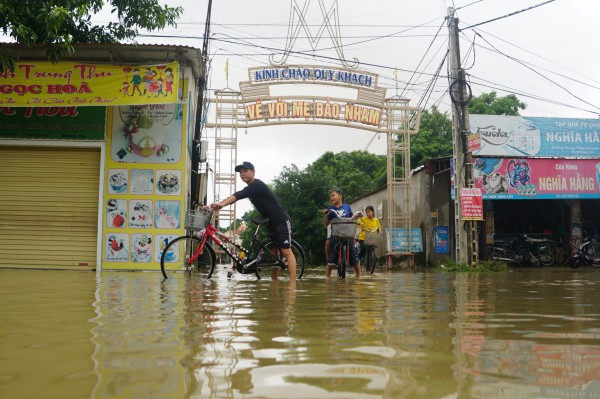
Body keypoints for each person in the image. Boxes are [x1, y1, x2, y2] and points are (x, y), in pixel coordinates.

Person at [210, 161, 297, 281]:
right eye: (240, 172)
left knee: (286, 252)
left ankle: (292, 285)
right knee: (275, 255)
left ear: (253, 172)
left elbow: (239, 195)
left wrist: (221, 204)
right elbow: (236, 195)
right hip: (270, 223)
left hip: (281, 221)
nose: (242, 174)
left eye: (245, 171)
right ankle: (274, 283)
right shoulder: (251, 188)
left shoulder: (257, 185)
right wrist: (215, 205)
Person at [323, 189, 361, 278]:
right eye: (331, 196)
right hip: (336, 235)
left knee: (354, 257)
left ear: (340, 196)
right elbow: (326, 224)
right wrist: (325, 215)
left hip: (348, 235)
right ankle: (327, 278)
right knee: (331, 259)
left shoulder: (347, 207)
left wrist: (357, 216)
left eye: (333, 195)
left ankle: (359, 276)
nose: (331, 197)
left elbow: (351, 219)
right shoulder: (330, 209)